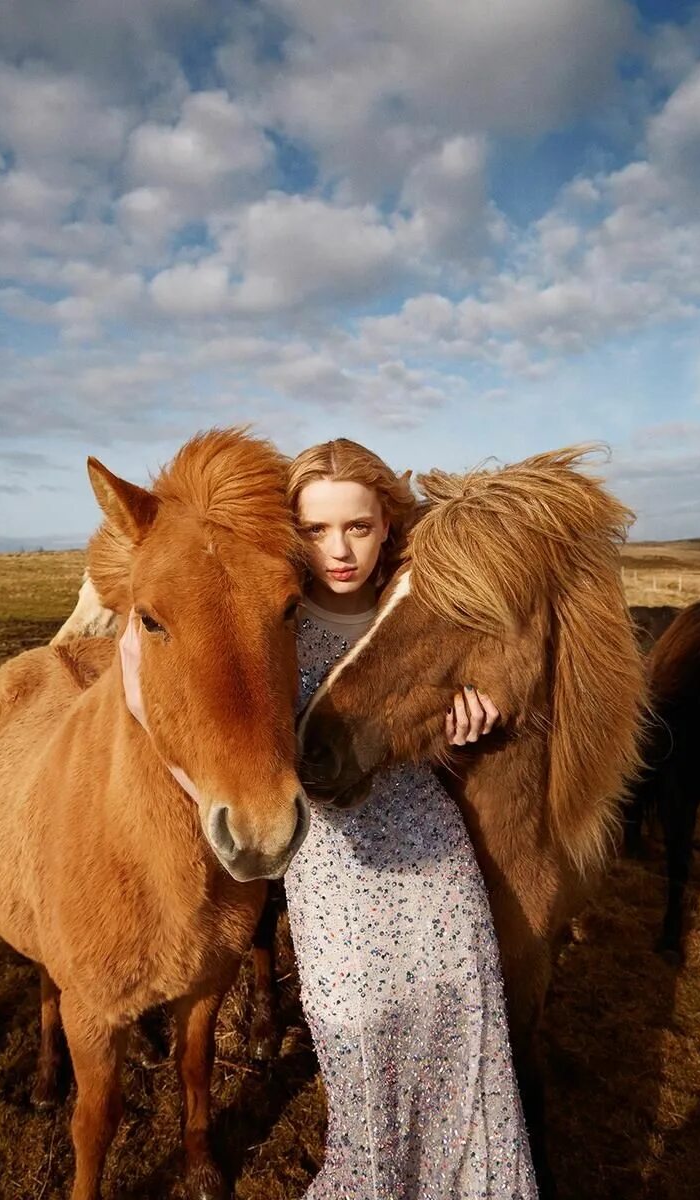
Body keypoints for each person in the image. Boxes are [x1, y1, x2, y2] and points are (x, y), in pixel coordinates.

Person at [285, 438, 537, 1199]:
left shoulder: (430, 597)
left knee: (466, 1046)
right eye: (317, 530)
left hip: (434, 857)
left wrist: (478, 719)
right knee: (359, 1045)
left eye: (357, 527)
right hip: (333, 873)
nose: (338, 549)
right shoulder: (277, 618)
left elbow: (500, 675)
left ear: (388, 523)